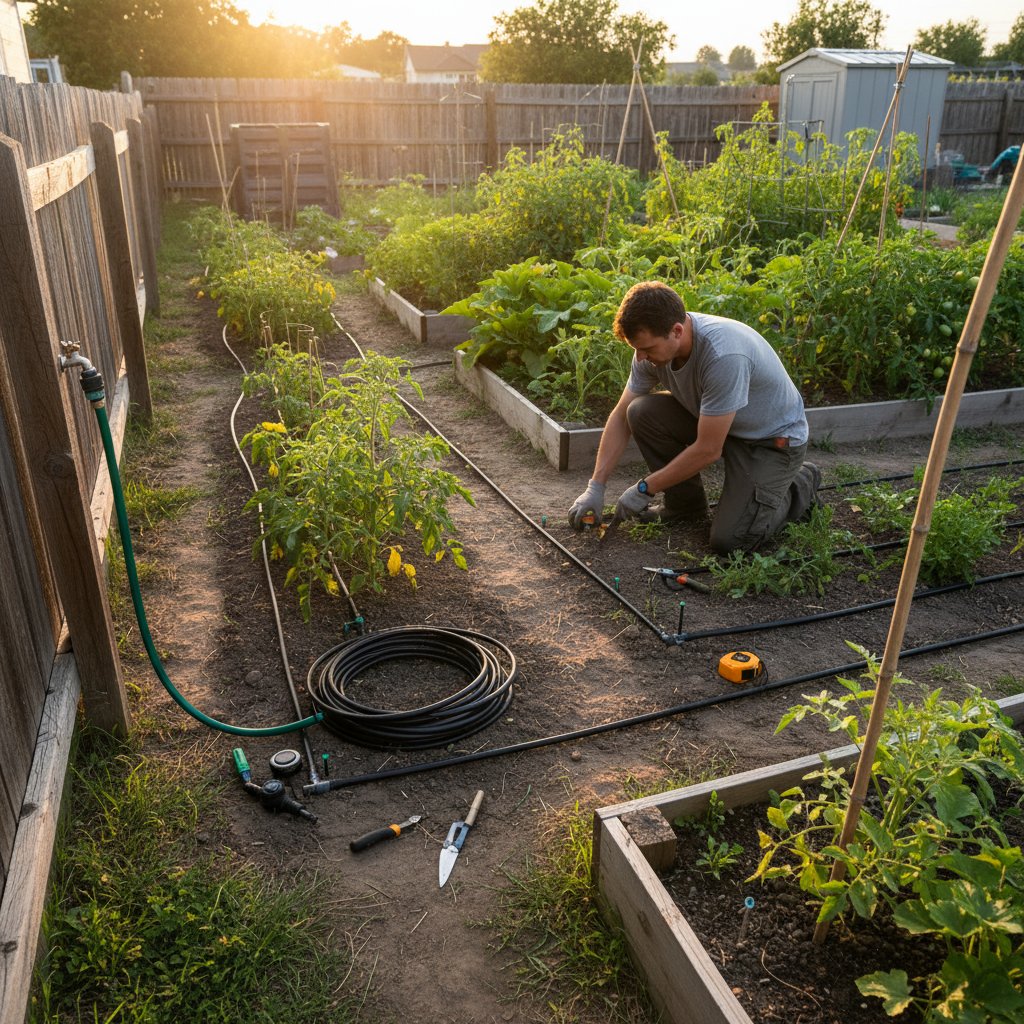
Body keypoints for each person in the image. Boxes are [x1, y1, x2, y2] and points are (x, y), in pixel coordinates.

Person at [567, 281, 819, 553]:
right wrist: (596, 487)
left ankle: (799, 483)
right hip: (721, 425)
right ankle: (685, 505)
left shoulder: (723, 355)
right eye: (636, 349)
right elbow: (620, 417)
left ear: (676, 331)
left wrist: (645, 487)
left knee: (731, 541)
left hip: (770, 441)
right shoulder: (651, 352)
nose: (640, 358)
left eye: (647, 349)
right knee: (639, 412)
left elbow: (708, 450)